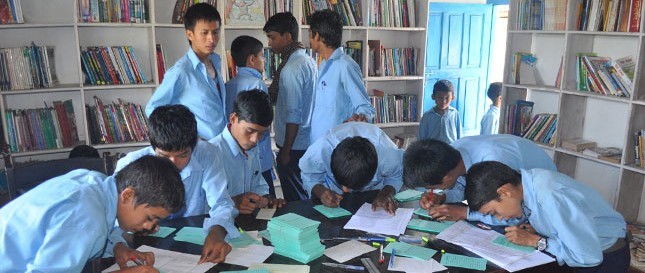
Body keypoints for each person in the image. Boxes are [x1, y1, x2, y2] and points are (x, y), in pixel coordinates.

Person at [0, 155, 185, 272]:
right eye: (150, 218)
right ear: (128, 195)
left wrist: (118, 247)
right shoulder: (87, 216)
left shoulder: (98, 183)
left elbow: (99, 226)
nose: (151, 227)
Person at [112, 105, 238, 264]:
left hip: (194, 244)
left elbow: (221, 203)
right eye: (164, 155)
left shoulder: (208, 154)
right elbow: (114, 222)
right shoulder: (130, 165)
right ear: (153, 147)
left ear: (194, 146)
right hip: (143, 246)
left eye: (183, 155)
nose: (173, 163)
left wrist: (217, 232)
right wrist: (121, 244)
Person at [465, 161, 629, 272]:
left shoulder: (550, 197)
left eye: (494, 212)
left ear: (504, 192)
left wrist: (536, 241)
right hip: (585, 249)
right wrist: (542, 226)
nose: (499, 218)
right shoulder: (527, 183)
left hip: (605, 256)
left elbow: (588, 257)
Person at [403, 134, 556, 224]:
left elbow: (510, 210)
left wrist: (465, 213)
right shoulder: (455, 155)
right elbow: (465, 186)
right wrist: (443, 197)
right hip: (513, 197)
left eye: (432, 187)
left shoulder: (493, 163)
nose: (430, 191)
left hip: (543, 202)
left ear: (446, 177)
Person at [146, 3, 227, 140]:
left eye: (215, 32)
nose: (211, 39)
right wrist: (185, 138)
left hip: (221, 146)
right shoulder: (181, 71)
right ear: (190, 34)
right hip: (199, 149)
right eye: (204, 33)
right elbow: (152, 109)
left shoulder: (215, 62)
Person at [263, 12, 317, 201]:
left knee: (295, 199)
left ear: (287, 37)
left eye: (272, 37)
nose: (269, 43)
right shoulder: (309, 61)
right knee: (303, 192)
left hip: (292, 145)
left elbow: (294, 114)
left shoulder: (291, 68)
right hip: (306, 140)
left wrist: (285, 151)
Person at [300, 122, 403, 214]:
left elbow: (397, 176)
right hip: (335, 197)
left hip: (374, 194)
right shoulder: (320, 152)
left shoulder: (390, 157)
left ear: (373, 172)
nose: (344, 190)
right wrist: (319, 190)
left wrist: (386, 193)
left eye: (349, 185)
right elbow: (309, 175)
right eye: (341, 182)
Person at [209, 90, 286, 214]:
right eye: (250, 131)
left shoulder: (251, 149)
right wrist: (234, 202)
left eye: (261, 133)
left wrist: (266, 199)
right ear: (233, 118)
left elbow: (258, 183)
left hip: (246, 224)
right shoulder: (211, 153)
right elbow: (200, 205)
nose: (255, 140)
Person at [307, 9, 375, 143]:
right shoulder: (323, 64)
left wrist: (360, 118)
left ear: (319, 36)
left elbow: (365, 108)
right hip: (318, 145)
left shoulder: (346, 66)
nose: (309, 40)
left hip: (337, 146)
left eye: (310, 34)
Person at [224, 35, 277, 197]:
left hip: (237, 152)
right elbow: (262, 120)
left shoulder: (228, 85)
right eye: (262, 56)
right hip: (258, 156)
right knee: (266, 202)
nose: (264, 61)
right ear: (252, 59)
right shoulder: (257, 84)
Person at [418, 79, 461, 144]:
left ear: (453, 98)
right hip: (432, 151)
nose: (443, 101)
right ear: (433, 97)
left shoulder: (454, 113)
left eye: (447, 98)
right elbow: (421, 138)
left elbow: (459, 136)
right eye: (440, 97)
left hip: (450, 150)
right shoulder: (427, 116)